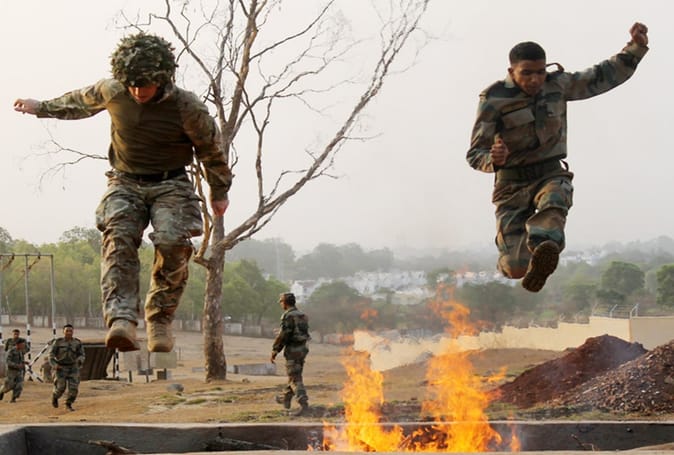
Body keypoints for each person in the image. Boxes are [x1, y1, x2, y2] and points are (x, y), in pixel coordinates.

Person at [14, 33, 232, 352]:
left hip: (171, 183)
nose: (138, 92)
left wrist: (219, 190)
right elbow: (78, 102)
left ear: (162, 79)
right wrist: (41, 107)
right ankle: (121, 319)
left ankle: (159, 320)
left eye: (145, 86)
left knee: (173, 242)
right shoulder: (113, 90)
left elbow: (210, 149)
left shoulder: (187, 107)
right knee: (118, 238)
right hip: (125, 181)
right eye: (132, 86)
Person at [466, 23, 649, 292]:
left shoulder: (558, 85)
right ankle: (527, 259)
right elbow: (475, 154)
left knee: (555, 199)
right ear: (512, 71)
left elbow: (601, 75)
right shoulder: (493, 99)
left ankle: (544, 247)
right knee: (514, 267)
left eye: (540, 72)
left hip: (550, 173)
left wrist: (636, 48)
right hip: (511, 184)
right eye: (527, 73)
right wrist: (493, 159)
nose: (535, 79)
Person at [270, 292, 311, 416]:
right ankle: (285, 398)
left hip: (293, 350)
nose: (281, 304)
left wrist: (275, 350)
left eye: (281, 302)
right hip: (303, 349)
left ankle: (303, 404)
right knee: (294, 375)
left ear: (285, 303)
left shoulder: (288, 315)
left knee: (294, 378)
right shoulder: (302, 315)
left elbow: (284, 335)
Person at [49, 324, 85, 411]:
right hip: (61, 368)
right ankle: (55, 397)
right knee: (61, 387)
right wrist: (55, 365)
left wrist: (79, 361)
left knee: (74, 388)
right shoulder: (58, 342)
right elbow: (51, 355)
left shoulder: (77, 343)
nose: (69, 333)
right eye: (67, 331)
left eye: (70, 331)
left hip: (73, 368)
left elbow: (82, 354)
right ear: (63, 332)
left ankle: (68, 404)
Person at [0, 338, 28, 403]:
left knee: (19, 385)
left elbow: (19, 360)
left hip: (19, 371)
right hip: (11, 372)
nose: (23, 346)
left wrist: (24, 362)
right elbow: (8, 362)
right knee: (9, 385)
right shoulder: (11, 351)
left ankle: (13, 398)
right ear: (18, 344)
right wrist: (17, 365)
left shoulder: (20, 351)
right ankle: (1, 391)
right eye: (22, 345)